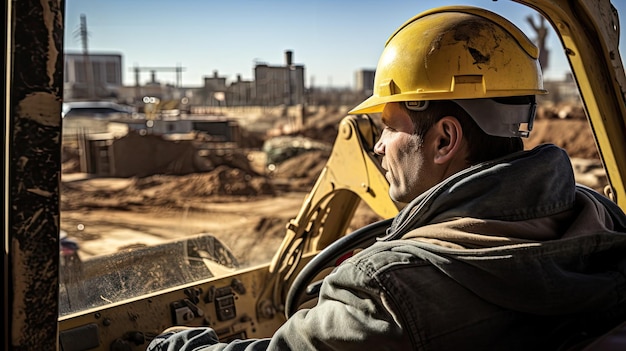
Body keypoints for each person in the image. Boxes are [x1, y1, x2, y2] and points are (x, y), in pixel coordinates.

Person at [147, 5, 626, 350]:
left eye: (390, 128)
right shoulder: (603, 220)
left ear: (444, 140)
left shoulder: (386, 295)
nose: (376, 146)